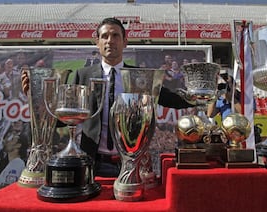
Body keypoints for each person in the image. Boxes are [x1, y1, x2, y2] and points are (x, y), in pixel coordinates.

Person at [21, 17, 192, 177]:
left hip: (130, 165)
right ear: (97, 42)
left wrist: (203, 94)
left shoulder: (140, 77)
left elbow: (173, 100)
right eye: (105, 36)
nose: (110, 40)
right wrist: (36, 98)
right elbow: (64, 119)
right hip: (91, 164)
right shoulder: (83, 75)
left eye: (115, 35)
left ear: (125, 41)